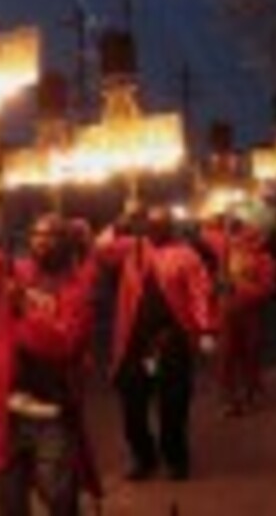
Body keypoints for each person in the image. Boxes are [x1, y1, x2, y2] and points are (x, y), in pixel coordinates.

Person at [0, 196, 100, 516]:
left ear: (65, 243)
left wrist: (24, 310)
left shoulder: (77, 289)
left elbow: (64, 346)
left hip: (52, 412)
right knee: (9, 502)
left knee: (60, 500)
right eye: (36, 234)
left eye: (51, 235)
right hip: (7, 409)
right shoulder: (15, 272)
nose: (41, 241)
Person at [94, 206, 215, 481]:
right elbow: (99, 250)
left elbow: (200, 293)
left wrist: (206, 328)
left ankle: (176, 459)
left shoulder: (186, 255)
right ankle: (144, 458)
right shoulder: (131, 248)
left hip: (171, 342)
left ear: (171, 227)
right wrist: (118, 220)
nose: (156, 229)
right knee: (132, 409)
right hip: (133, 344)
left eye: (162, 224)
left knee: (173, 408)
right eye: (151, 223)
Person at [199, 215, 275, 415]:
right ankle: (229, 398)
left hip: (250, 314)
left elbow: (266, 289)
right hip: (226, 312)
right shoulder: (226, 247)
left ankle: (250, 392)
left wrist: (238, 287)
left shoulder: (263, 258)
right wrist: (214, 216)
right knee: (225, 357)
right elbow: (206, 234)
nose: (241, 237)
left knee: (250, 355)